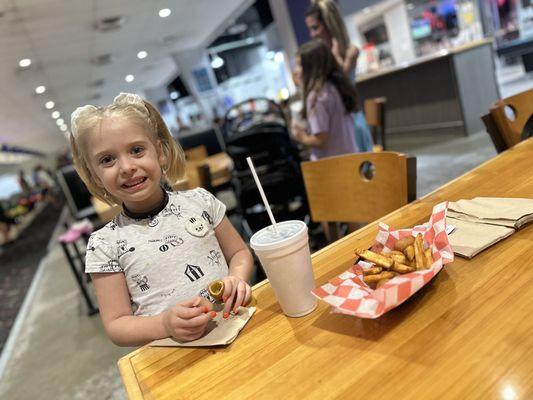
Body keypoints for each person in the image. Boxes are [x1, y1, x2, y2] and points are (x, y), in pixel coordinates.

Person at [69, 93, 253, 346]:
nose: (126, 167)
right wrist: (164, 323)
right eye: (107, 159)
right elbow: (116, 325)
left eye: (136, 150)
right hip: (173, 357)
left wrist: (237, 279)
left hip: (238, 327)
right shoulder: (103, 245)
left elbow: (239, 253)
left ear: (160, 152)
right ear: (96, 176)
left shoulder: (201, 202)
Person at [305, 0, 374, 153]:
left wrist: (336, 57)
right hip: (334, 127)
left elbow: (341, 86)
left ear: (329, 25)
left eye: (315, 28)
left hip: (350, 124)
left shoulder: (351, 51)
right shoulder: (322, 58)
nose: (312, 34)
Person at [291, 39, 358, 161]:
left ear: (311, 68)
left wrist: (301, 137)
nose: (296, 70)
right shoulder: (334, 87)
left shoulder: (316, 97)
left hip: (332, 167)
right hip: (351, 160)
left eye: (299, 65)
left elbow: (321, 141)